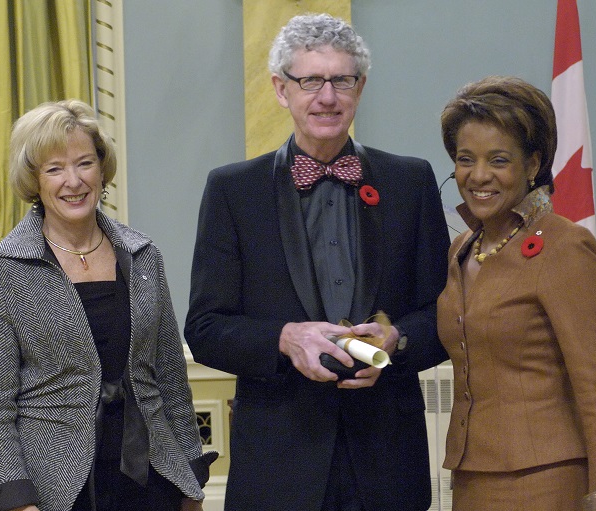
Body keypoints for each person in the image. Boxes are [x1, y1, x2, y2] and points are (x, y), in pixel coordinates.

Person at [184, 13, 450, 511]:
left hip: (388, 463)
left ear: (360, 87)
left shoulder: (410, 183)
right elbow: (204, 328)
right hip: (278, 467)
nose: (327, 97)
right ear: (281, 89)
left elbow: (445, 317)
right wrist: (285, 339)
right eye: (310, 80)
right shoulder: (232, 191)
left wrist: (398, 341)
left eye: (341, 80)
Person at [0, 99, 216, 511]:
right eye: (54, 168)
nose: (73, 180)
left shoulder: (143, 256)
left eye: (84, 163)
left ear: (102, 169)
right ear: (35, 180)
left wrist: (190, 479)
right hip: (56, 488)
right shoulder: (4, 270)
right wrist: (17, 501)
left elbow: (171, 380)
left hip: (152, 478)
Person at [437, 75, 596, 510]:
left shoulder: (564, 247)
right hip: (471, 478)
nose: (478, 176)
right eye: (465, 159)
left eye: (498, 160)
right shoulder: (462, 248)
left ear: (532, 165)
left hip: (546, 480)